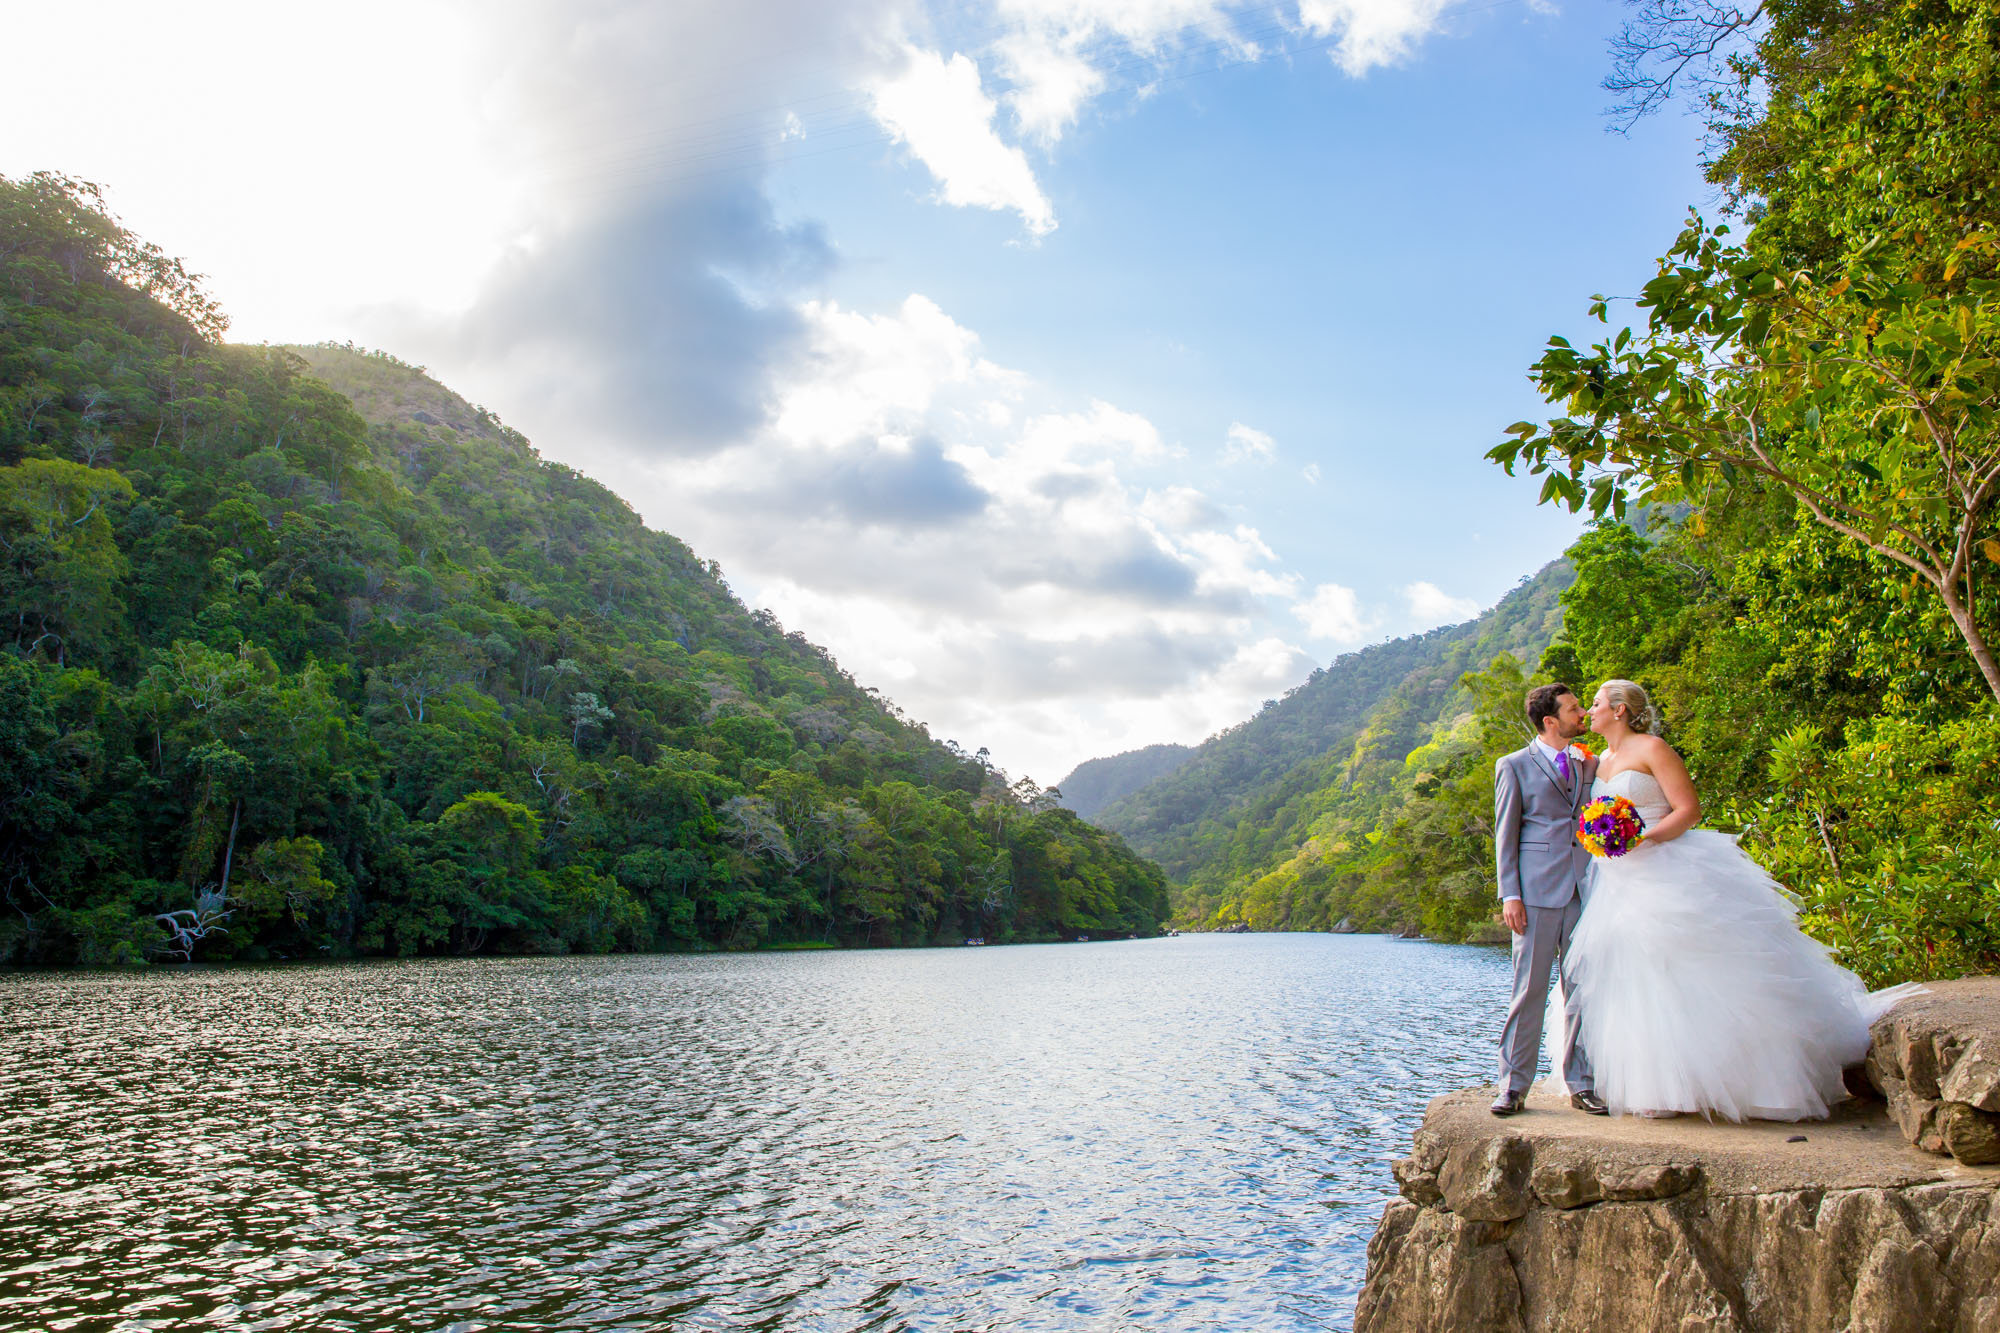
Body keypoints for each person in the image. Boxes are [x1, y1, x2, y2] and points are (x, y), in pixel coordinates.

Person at [1561, 678, 1915, 1120]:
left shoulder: (1653, 749)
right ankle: (1662, 1085)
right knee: (1633, 977)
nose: (1588, 712)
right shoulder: (1601, 761)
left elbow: (1689, 810)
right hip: (1615, 880)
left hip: (1664, 866)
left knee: (1696, 972)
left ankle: (1749, 1082)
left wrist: (1642, 838)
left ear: (1618, 710)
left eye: (1594, 704)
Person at [1490, 683, 1607, 1117]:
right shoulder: (1514, 765)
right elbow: (1507, 834)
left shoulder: (1584, 762)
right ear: (1550, 721)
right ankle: (1513, 1087)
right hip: (1534, 893)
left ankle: (1582, 1083)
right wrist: (1511, 894)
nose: (1581, 714)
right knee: (1530, 991)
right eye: (1574, 709)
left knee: (1581, 991)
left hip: (1583, 888)